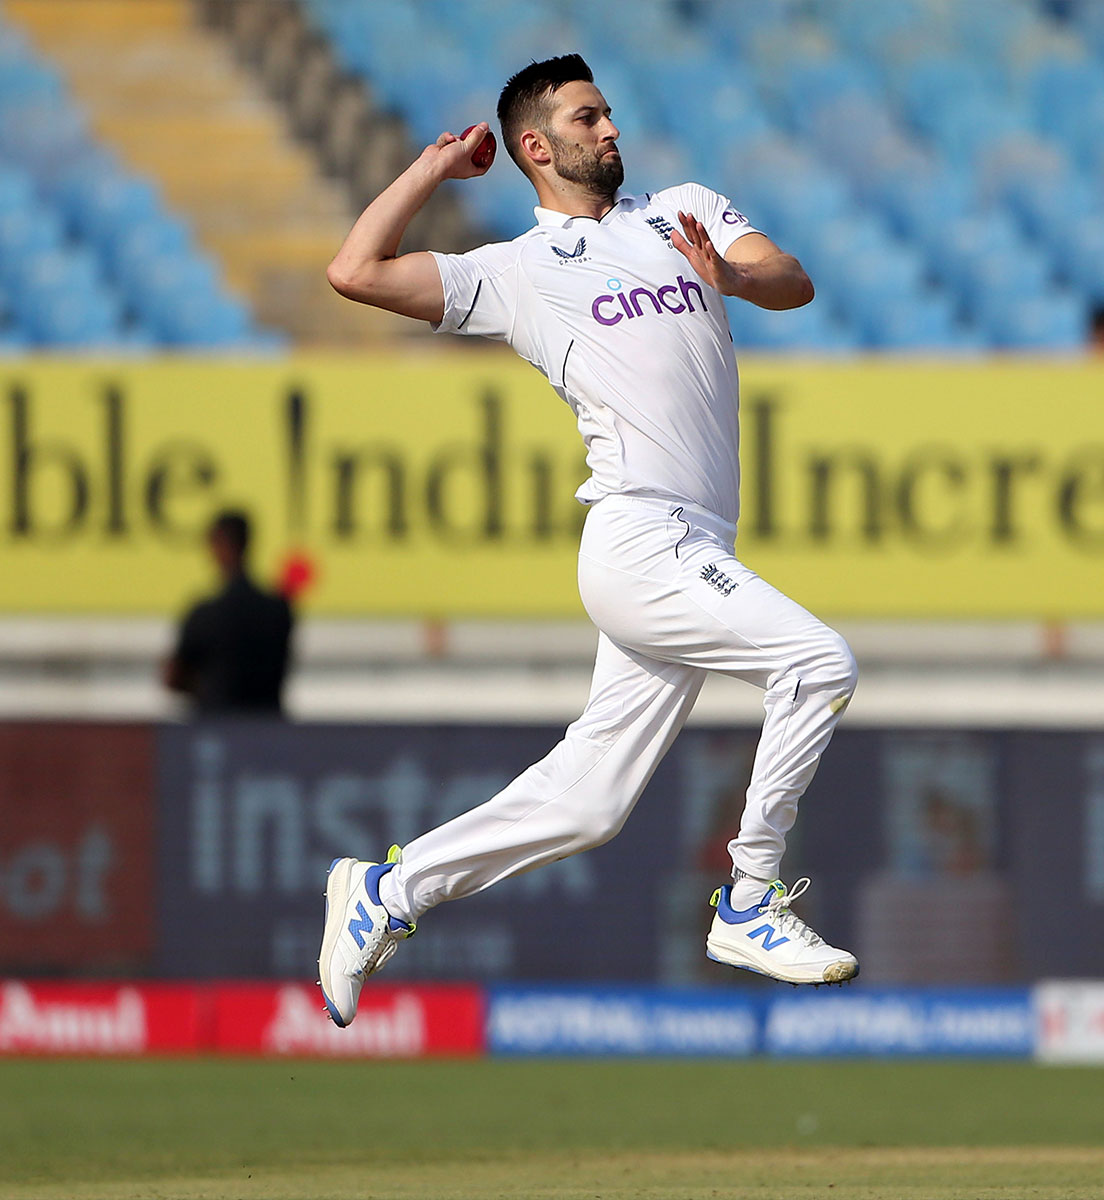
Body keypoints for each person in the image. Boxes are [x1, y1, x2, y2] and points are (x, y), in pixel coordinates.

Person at [317, 54, 859, 1026]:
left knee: (588, 802)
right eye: (585, 117)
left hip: (698, 541)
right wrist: (432, 171)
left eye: (607, 112)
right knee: (818, 663)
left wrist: (731, 273)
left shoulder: (679, 208)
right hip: (639, 536)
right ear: (536, 146)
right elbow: (352, 271)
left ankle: (384, 894)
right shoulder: (518, 273)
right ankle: (748, 897)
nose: (609, 129)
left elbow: (794, 280)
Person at [163, 509, 294, 716]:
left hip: (216, 729)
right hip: (268, 730)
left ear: (217, 545)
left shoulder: (204, 614)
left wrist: (206, 685)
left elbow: (172, 678)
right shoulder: (278, 610)